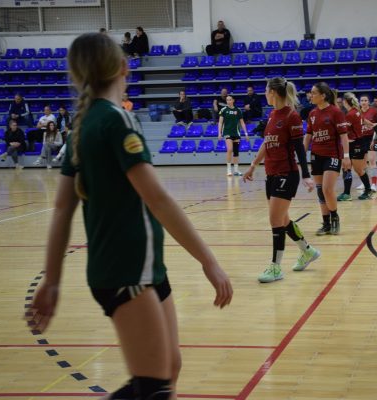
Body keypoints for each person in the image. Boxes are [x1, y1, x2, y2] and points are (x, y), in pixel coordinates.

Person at [26, 33, 232, 400]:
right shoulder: (116, 121)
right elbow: (158, 199)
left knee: (169, 368)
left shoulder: (85, 124)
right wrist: (209, 261)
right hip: (126, 269)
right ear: (124, 67)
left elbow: (60, 210)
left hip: (144, 267)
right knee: (153, 387)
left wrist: (54, 280)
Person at [243, 77, 320, 283]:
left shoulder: (291, 116)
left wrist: (306, 175)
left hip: (286, 174)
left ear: (273, 92)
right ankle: (308, 251)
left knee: (275, 220)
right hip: (271, 173)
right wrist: (253, 165)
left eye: (265, 91)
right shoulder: (272, 115)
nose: (264, 94)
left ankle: (276, 268)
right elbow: (266, 143)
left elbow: (299, 149)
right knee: (283, 220)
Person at [304, 82, 350, 235]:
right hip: (316, 155)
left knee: (327, 188)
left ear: (323, 96)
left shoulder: (335, 112)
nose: (311, 95)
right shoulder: (312, 114)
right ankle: (326, 224)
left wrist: (346, 156)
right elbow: (308, 136)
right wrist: (302, 155)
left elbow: (344, 136)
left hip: (332, 155)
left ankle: (335, 217)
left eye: (314, 93)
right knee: (320, 191)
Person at [337, 92, 375, 201]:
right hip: (353, 143)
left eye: (342, 101)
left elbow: (345, 131)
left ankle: (368, 191)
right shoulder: (356, 111)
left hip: (356, 144)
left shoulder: (350, 114)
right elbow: (363, 121)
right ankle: (346, 193)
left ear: (345, 102)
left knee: (359, 169)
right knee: (346, 167)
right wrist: (372, 125)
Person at [218, 95, 249, 176]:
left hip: (236, 133)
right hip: (227, 132)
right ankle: (228, 170)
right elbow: (220, 122)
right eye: (227, 100)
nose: (228, 101)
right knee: (229, 149)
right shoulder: (223, 110)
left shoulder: (238, 110)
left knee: (236, 151)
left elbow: (242, 122)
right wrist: (219, 133)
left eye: (230, 100)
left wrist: (246, 133)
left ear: (233, 100)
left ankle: (236, 170)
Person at [357, 94, 377, 193]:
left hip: (371, 138)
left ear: (368, 102)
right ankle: (365, 182)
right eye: (362, 100)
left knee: (372, 161)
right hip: (360, 138)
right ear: (359, 102)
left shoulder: (374, 111)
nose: (364, 102)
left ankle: (374, 184)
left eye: (365, 100)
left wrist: (372, 125)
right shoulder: (357, 112)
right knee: (362, 163)